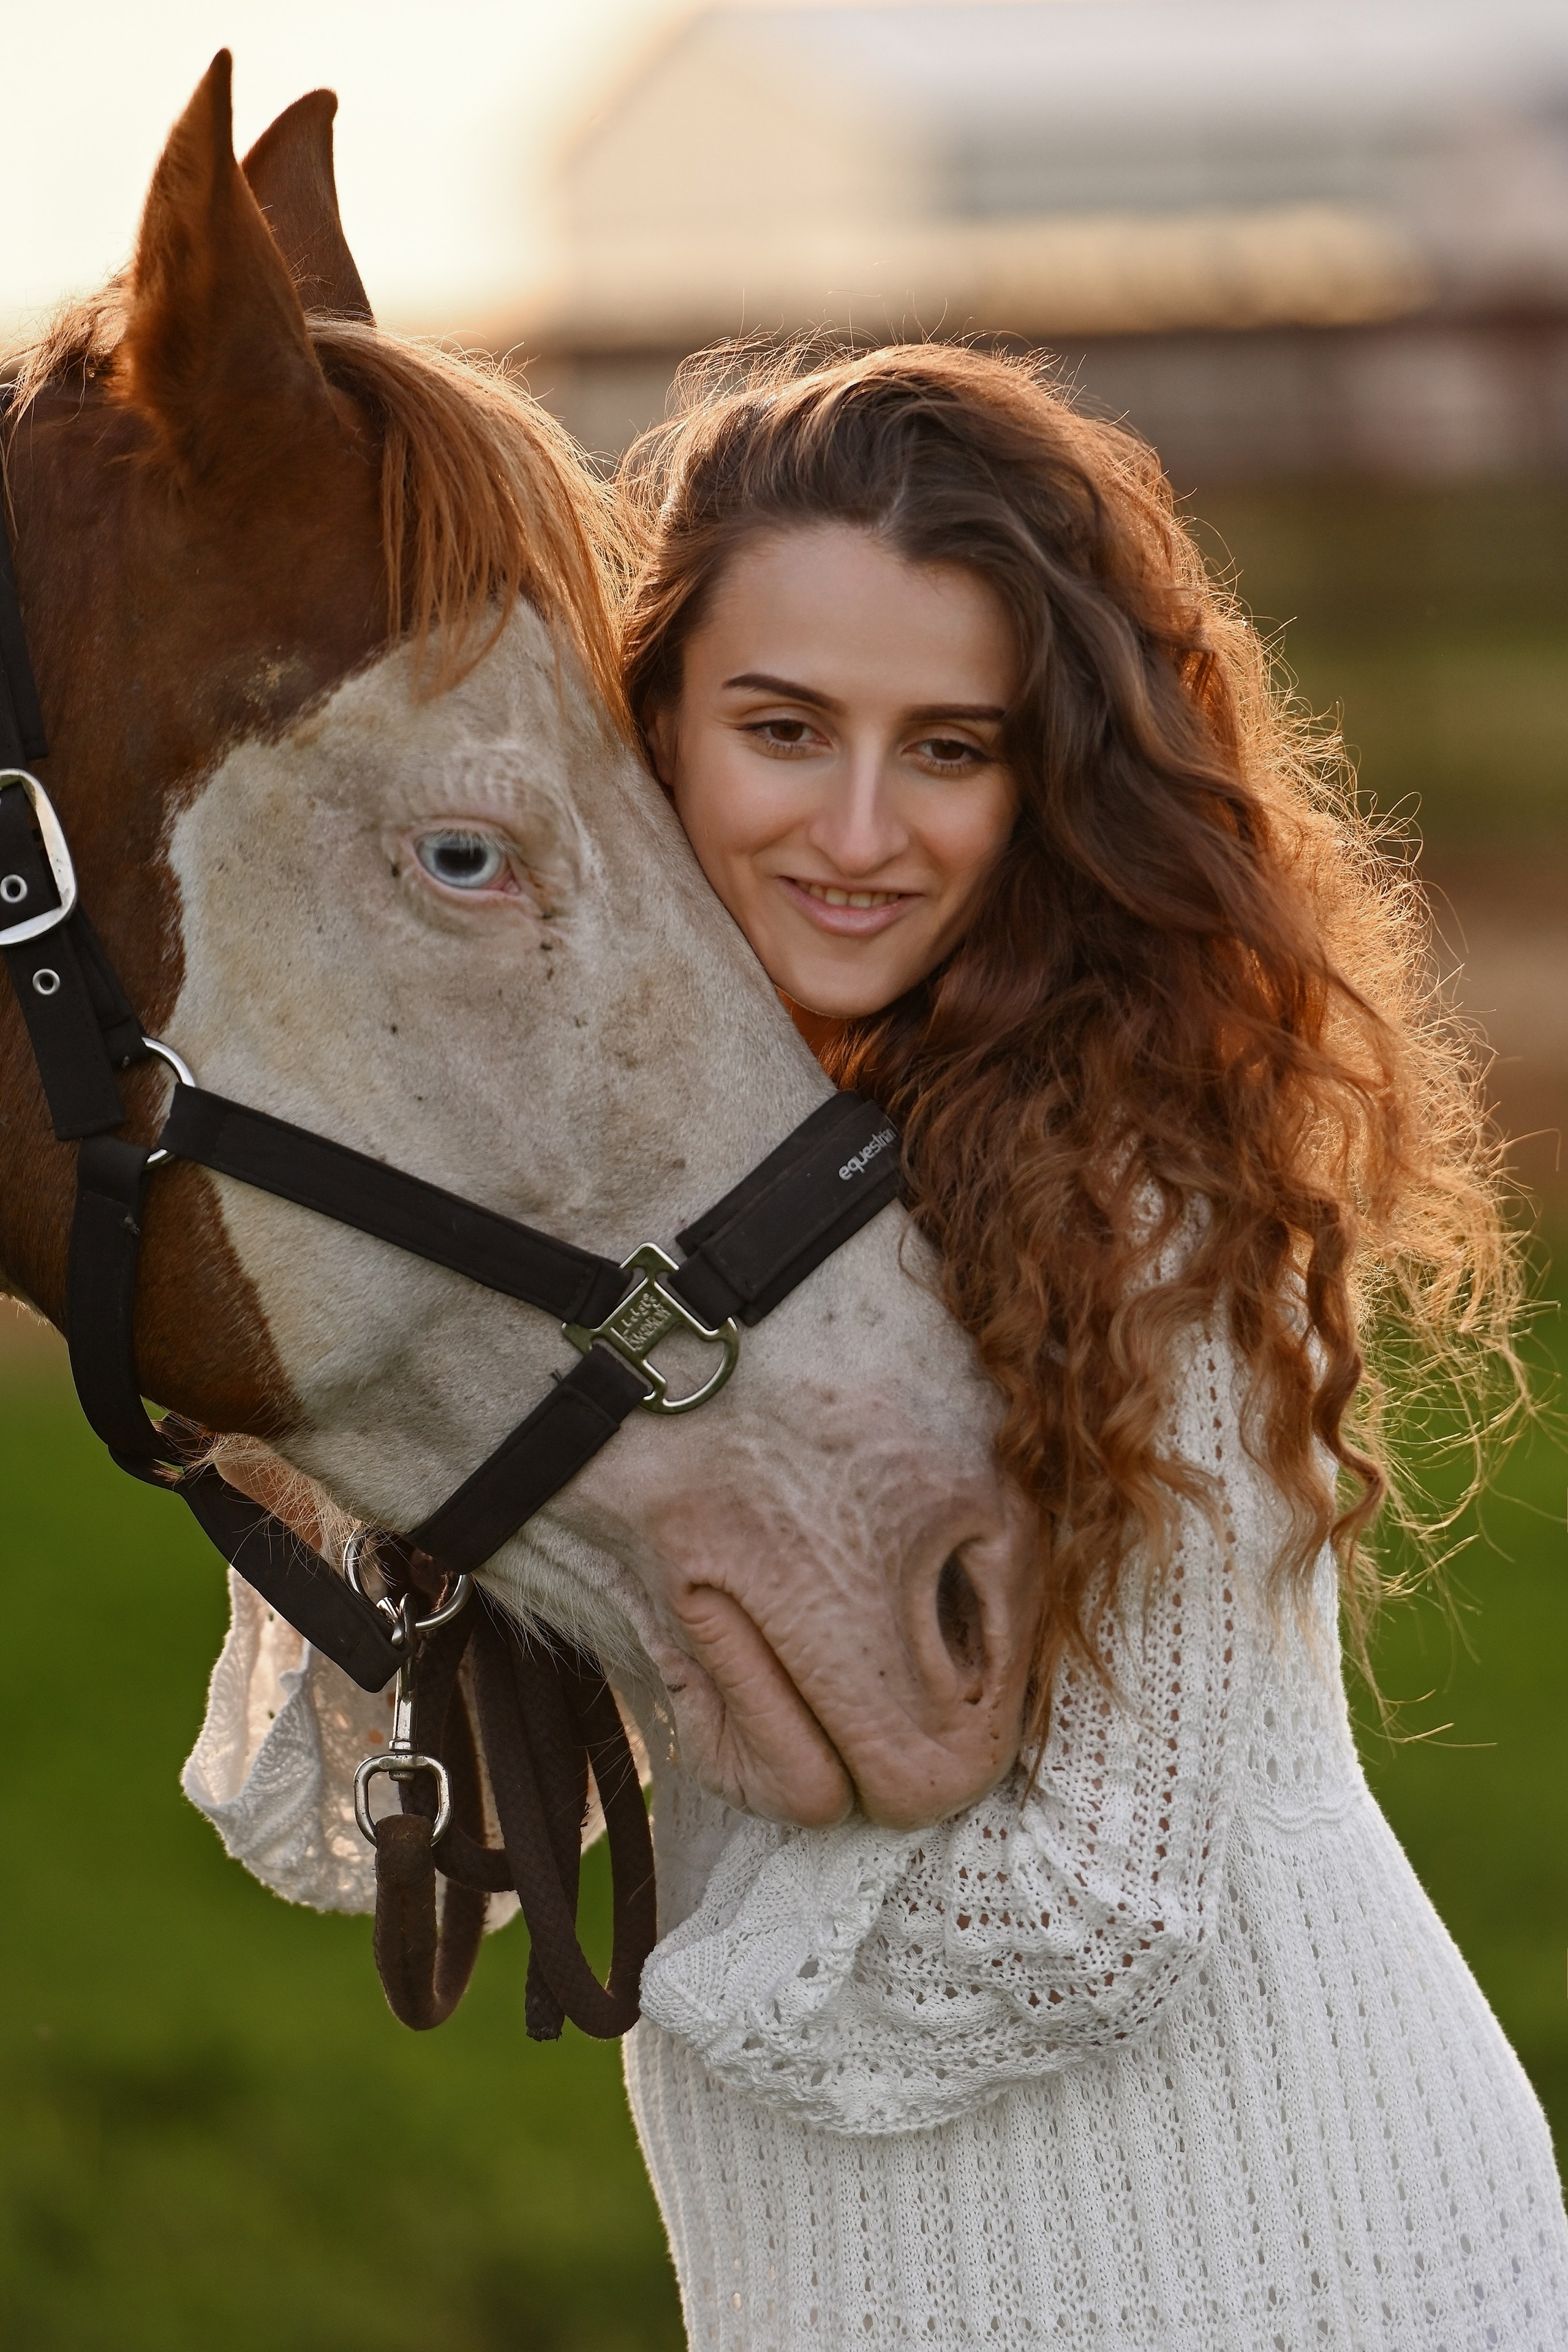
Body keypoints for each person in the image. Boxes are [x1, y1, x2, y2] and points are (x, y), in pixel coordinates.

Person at [602, 340, 1568, 2348]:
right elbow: (372, 1825)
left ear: (1049, 774)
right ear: (655, 723)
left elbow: (1097, 1903)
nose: (860, 830)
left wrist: (664, 1969)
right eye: (784, 728)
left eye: (949, 749)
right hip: (839, 2281)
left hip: (1285, 2252)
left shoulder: (1141, 1182)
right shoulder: (603, 1188)